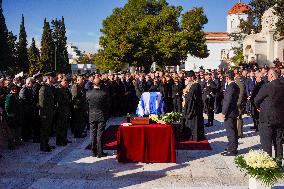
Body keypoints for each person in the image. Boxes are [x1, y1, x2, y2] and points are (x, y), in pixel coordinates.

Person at [254, 69, 284, 161]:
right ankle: (278, 164)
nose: (266, 76)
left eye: (267, 75)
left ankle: (268, 165)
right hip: (280, 119)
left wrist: (258, 107)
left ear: (271, 75)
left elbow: (256, 100)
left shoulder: (267, 86)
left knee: (266, 143)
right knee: (278, 142)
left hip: (267, 119)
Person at [87, 77, 110, 158]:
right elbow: (107, 105)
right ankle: (100, 152)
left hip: (92, 115)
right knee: (100, 134)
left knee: (92, 133)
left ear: (93, 84)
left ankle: (93, 152)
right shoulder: (103, 93)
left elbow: (86, 104)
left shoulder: (88, 93)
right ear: (100, 84)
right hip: (101, 115)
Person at [221, 71, 240, 156]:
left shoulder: (231, 86)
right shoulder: (235, 85)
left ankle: (232, 150)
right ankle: (232, 147)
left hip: (230, 112)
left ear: (227, 78)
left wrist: (224, 113)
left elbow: (227, 101)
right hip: (233, 111)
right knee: (233, 130)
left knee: (230, 131)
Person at [182, 70, 204, 141]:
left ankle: (193, 137)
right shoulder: (191, 85)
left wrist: (186, 96)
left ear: (192, 77)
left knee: (193, 123)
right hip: (192, 106)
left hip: (194, 108)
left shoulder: (195, 85)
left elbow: (191, 97)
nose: (187, 79)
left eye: (187, 77)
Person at [38, 73, 55, 152]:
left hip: (49, 112)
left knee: (47, 129)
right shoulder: (43, 88)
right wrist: (43, 114)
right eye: (52, 77)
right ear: (48, 78)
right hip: (45, 113)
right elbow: (41, 102)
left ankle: (46, 144)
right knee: (44, 130)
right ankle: (43, 146)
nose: (53, 78)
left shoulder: (48, 87)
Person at [55, 76, 71, 146]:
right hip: (60, 110)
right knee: (60, 127)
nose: (67, 85)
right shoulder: (59, 89)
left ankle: (64, 139)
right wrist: (67, 101)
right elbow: (59, 101)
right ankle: (60, 141)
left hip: (65, 110)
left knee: (64, 126)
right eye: (66, 83)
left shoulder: (64, 89)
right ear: (63, 81)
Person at [5, 85, 22, 149]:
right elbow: (7, 107)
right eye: (13, 89)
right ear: (10, 89)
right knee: (12, 131)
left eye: (15, 89)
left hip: (17, 116)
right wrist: (10, 113)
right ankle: (11, 145)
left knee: (17, 129)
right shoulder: (9, 96)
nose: (14, 90)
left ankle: (17, 142)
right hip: (12, 117)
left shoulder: (16, 96)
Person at [19, 77, 36, 142]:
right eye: (32, 83)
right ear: (28, 83)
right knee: (25, 124)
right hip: (25, 111)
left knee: (29, 124)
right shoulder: (24, 90)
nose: (33, 84)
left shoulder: (30, 89)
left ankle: (28, 135)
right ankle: (25, 137)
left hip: (30, 110)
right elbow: (23, 100)